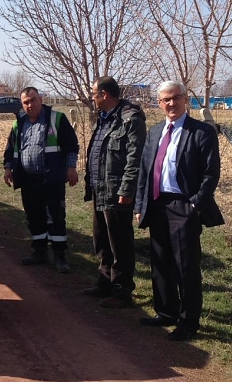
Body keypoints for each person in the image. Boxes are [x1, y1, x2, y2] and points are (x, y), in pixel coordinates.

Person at [134, 80, 224, 341]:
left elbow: (211, 174)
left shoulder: (201, 132)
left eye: (175, 98)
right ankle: (166, 312)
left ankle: (188, 321)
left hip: (184, 206)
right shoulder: (154, 132)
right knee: (160, 261)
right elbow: (145, 172)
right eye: (165, 99)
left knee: (186, 266)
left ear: (185, 99)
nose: (171, 103)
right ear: (159, 103)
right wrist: (141, 205)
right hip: (157, 204)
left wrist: (195, 204)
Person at [82, 76, 146, 308]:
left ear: (104, 94)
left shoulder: (130, 119)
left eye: (93, 93)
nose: (92, 97)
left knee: (119, 241)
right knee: (102, 238)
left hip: (117, 191)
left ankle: (121, 290)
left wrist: (127, 188)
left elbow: (134, 157)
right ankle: (105, 281)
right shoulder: (104, 119)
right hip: (101, 189)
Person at [3, 86, 80, 273]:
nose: (30, 105)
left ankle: (60, 256)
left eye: (33, 100)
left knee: (55, 217)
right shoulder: (19, 123)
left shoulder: (57, 119)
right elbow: (11, 148)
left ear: (41, 99)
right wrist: (8, 168)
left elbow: (71, 145)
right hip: (28, 179)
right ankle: (40, 252)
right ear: (22, 105)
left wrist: (71, 168)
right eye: (26, 102)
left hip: (51, 178)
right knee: (34, 216)